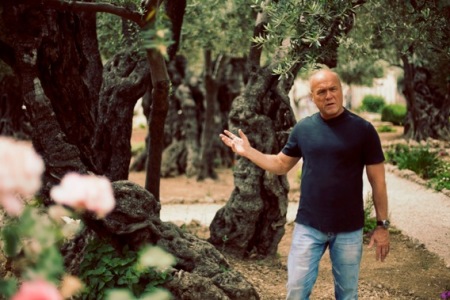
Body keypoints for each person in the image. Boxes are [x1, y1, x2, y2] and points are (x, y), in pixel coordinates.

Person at [219, 69, 390, 300]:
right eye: (321, 92)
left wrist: (382, 225)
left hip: (349, 229)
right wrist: (248, 152)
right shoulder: (304, 129)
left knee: (348, 294)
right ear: (313, 97)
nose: (329, 96)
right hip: (309, 227)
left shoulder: (364, 130)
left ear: (341, 91)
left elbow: (378, 182)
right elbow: (280, 164)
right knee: (296, 291)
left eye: (333, 89)